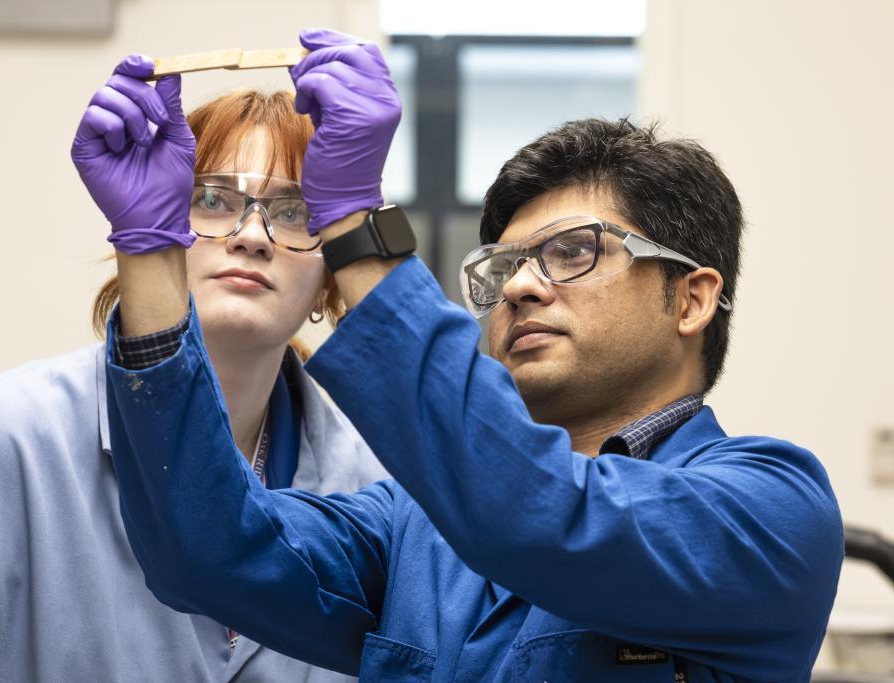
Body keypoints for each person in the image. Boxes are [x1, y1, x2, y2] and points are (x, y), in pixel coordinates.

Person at [102, 29, 844, 682]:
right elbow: (203, 548)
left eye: (572, 251)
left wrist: (356, 229)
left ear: (691, 298)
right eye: (502, 266)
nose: (519, 286)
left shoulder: (772, 510)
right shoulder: (412, 528)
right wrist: (148, 250)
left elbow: (538, 514)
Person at [0, 59, 386, 682]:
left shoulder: (374, 483)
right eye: (214, 200)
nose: (253, 237)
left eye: (297, 213)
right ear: (156, 225)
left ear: (332, 271)